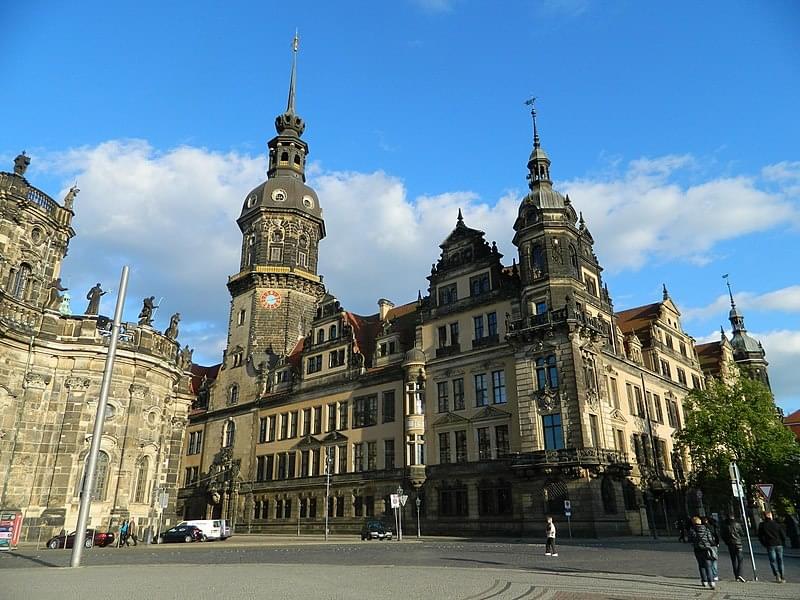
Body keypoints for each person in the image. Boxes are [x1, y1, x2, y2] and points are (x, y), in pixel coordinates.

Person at [758, 511, 787, 583]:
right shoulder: (777, 524)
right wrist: (783, 542)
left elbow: (760, 536)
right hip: (779, 544)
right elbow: (783, 535)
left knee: (772, 561)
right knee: (780, 560)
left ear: (764, 516)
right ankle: (782, 576)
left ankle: (777, 575)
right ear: (771, 516)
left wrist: (764, 543)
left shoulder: (762, 525)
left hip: (770, 545)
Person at [689, 516, 716, 589]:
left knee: (701, 565)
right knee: (708, 566)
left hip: (697, 549)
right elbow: (711, 540)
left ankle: (704, 581)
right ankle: (711, 582)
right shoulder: (706, 529)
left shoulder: (692, 530)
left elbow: (690, 540)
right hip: (706, 549)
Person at [721, 515, 746, 582]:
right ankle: (740, 574)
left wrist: (726, 542)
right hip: (738, 544)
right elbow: (742, 533)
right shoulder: (737, 524)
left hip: (730, 544)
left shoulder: (725, 526)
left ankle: (736, 576)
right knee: (740, 560)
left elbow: (722, 535)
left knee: (734, 560)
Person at [703, 516, 720, 581]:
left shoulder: (702, 527)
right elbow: (716, 535)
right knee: (714, 560)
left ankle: (710, 575)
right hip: (713, 544)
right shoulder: (713, 527)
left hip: (705, 545)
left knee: (707, 561)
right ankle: (715, 575)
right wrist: (717, 543)